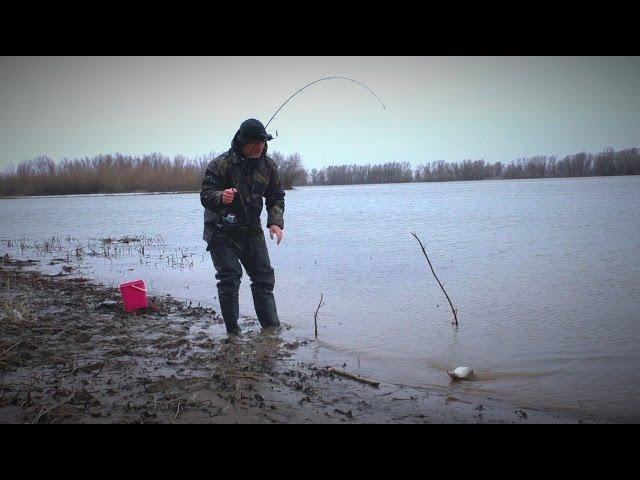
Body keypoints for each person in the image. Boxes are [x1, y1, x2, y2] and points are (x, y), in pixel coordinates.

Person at [200, 118, 285, 336]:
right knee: (230, 277)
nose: (259, 147)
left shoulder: (269, 166)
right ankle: (233, 333)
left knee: (264, 278)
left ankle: (271, 331)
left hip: (251, 228)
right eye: (254, 143)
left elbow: (275, 196)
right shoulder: (220, 165)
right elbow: (206, 196)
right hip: (221, 229)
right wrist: (221, 196)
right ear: (242, 142)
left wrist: (275, 222)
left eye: (263, 143)